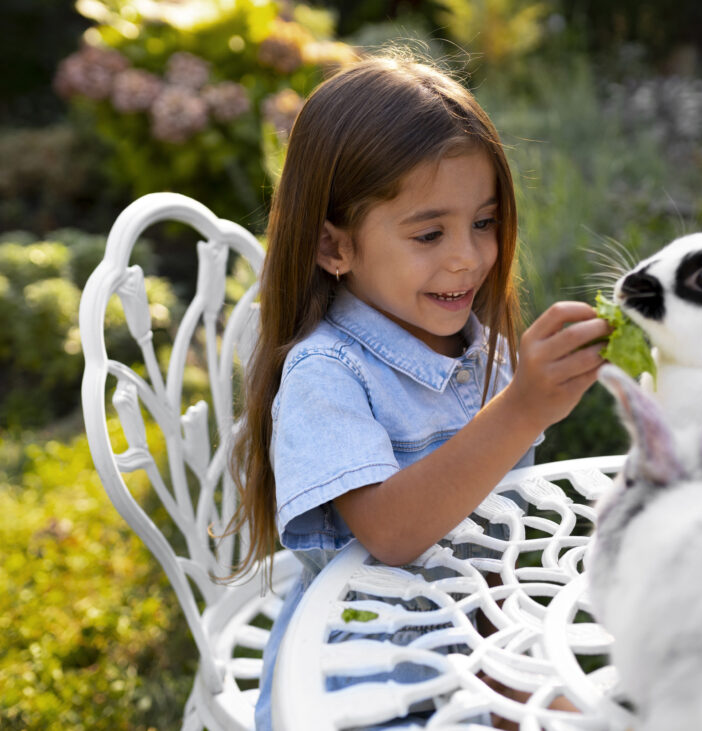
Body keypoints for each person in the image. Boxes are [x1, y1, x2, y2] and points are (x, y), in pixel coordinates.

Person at [225, 53, 611, 729]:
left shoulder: (473, 345)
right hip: (361, 674)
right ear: (332, 246)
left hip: (473, 636)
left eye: (484, 222)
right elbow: (393, 531)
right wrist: (521, 407)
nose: (467, 255)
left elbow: (495, 527)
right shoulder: (327, 374)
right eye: (429, 233)